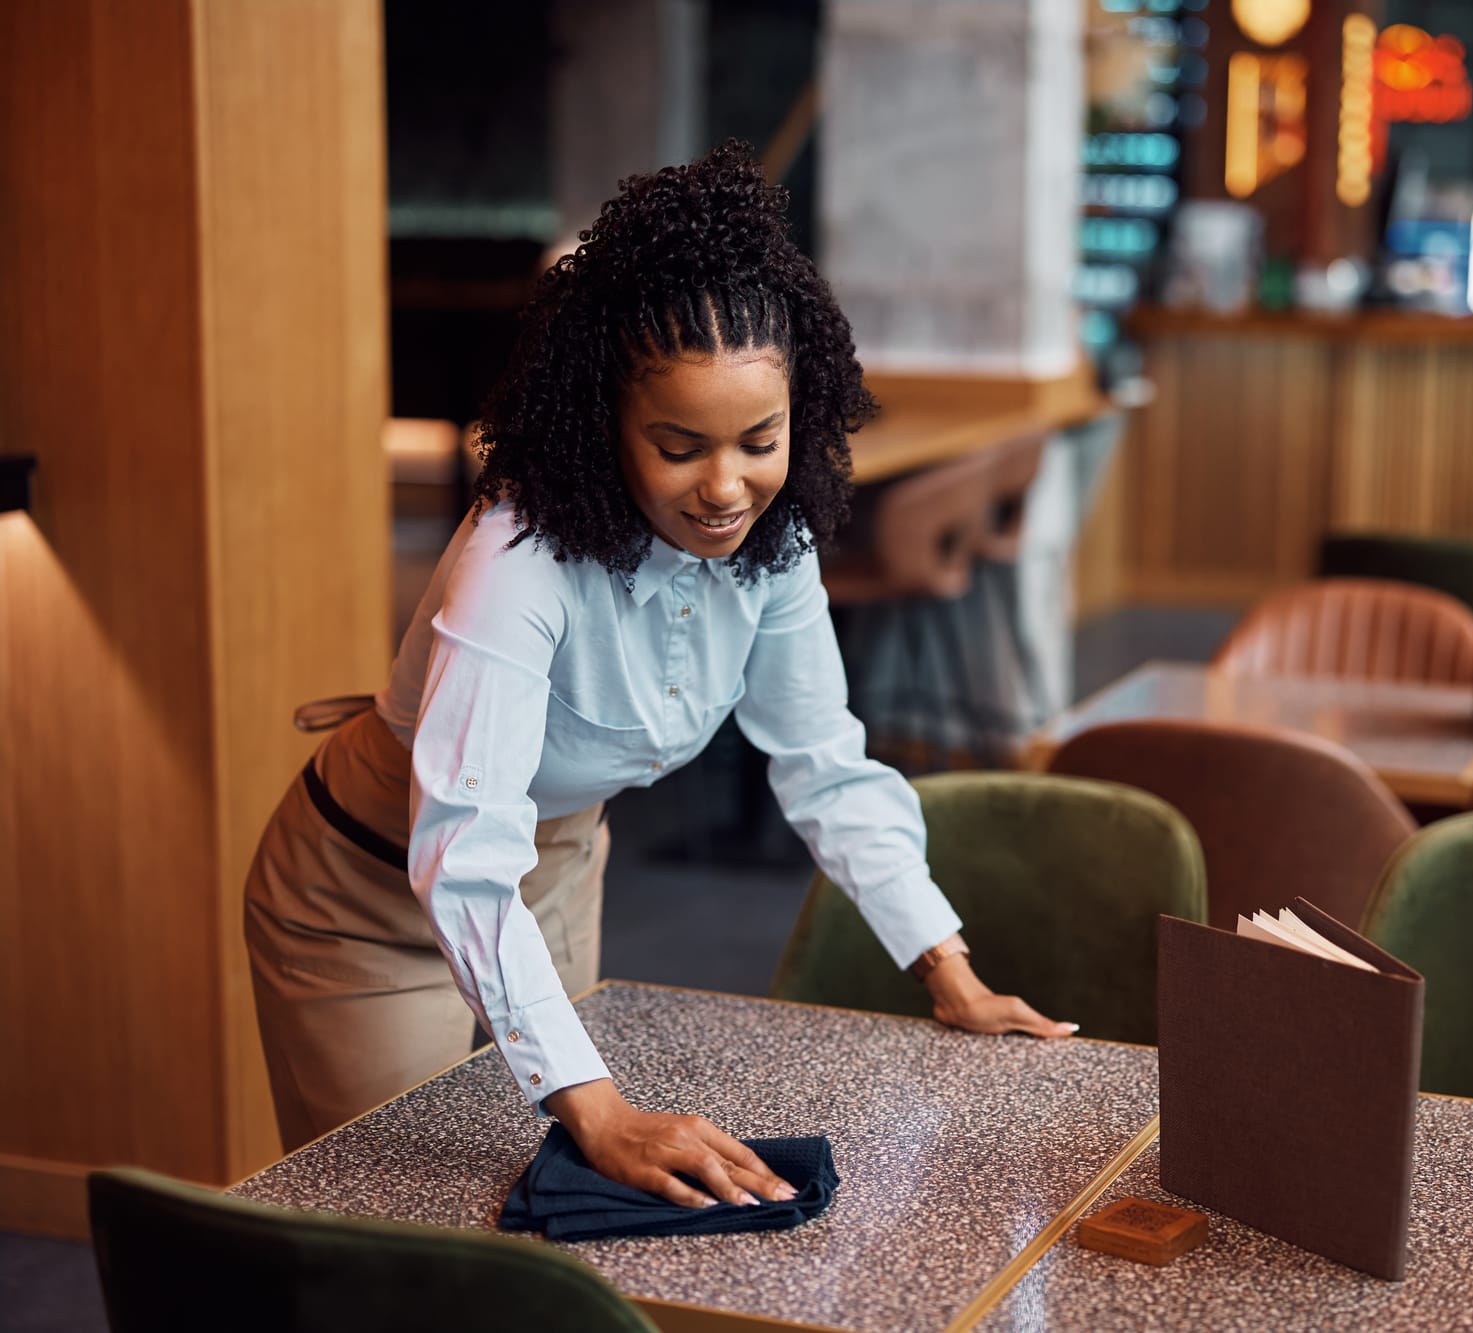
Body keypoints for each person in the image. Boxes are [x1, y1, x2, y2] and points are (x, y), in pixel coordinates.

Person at [243, 141, 1073, 1209]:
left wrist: (949, 973)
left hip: (553, 865)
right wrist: (598, 1103)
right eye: (678, 446)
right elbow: (462, 855)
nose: (726, 487)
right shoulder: (518, 560)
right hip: (364, 895)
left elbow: (823, 765)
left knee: (554, 1210)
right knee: (413, 1235)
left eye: (758, 440)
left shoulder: (772, 543)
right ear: (606, 427)